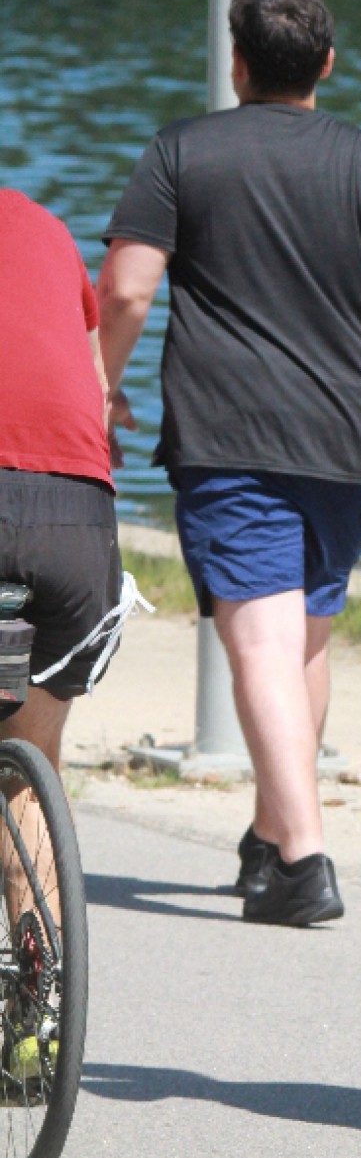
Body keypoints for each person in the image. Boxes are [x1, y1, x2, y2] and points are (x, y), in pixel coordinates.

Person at [99, 0, 361, 929]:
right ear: (327, 62)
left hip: (230, 432)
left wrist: (99, 384)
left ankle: (304, 860)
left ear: (237, 63)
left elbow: (125, 290)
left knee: (263, 639)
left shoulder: (181, 152)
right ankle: (269, 831)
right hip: (351, 439)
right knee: (304, 635)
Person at [0, 188, 125, 769]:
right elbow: (99, 386)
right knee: (32, 756)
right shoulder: (46, 227)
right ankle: (31, 801)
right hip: (75, 520)